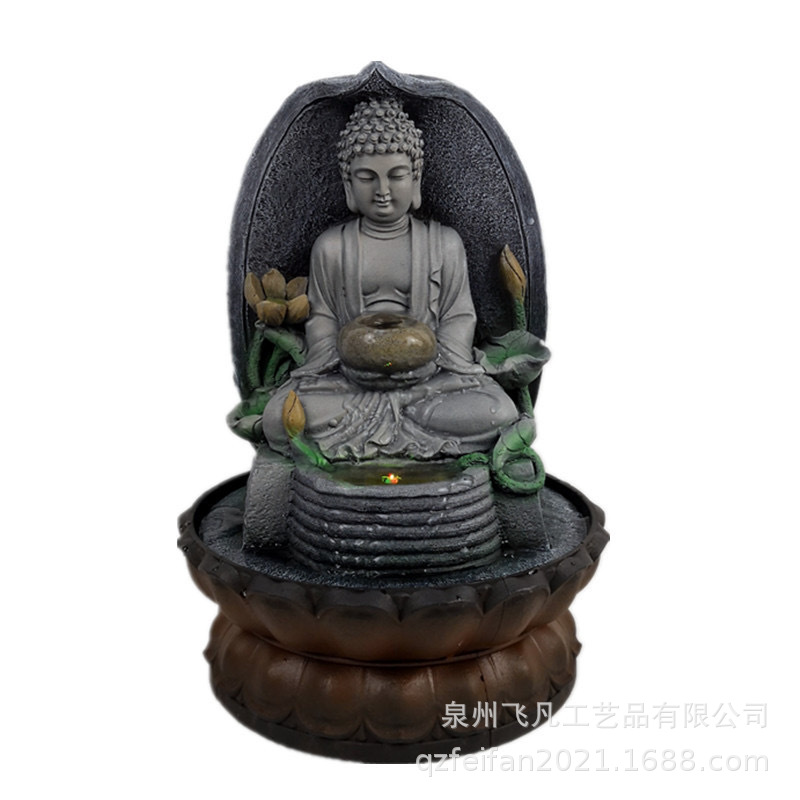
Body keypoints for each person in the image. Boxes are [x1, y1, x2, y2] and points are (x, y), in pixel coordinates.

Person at [262, 98, 518, 461]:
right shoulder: (331, 247)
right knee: (278, 417)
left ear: (416, 179)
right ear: (348, 184)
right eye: (367, 178)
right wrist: (352, 364)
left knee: (499, 410)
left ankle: (386, 424)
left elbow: (459, 317)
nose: (382, 191)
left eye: (396, 176)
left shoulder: (444, 244)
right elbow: (322, 320)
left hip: (430, 381)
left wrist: (425, 366)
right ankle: (405, 425)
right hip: (349, 382)